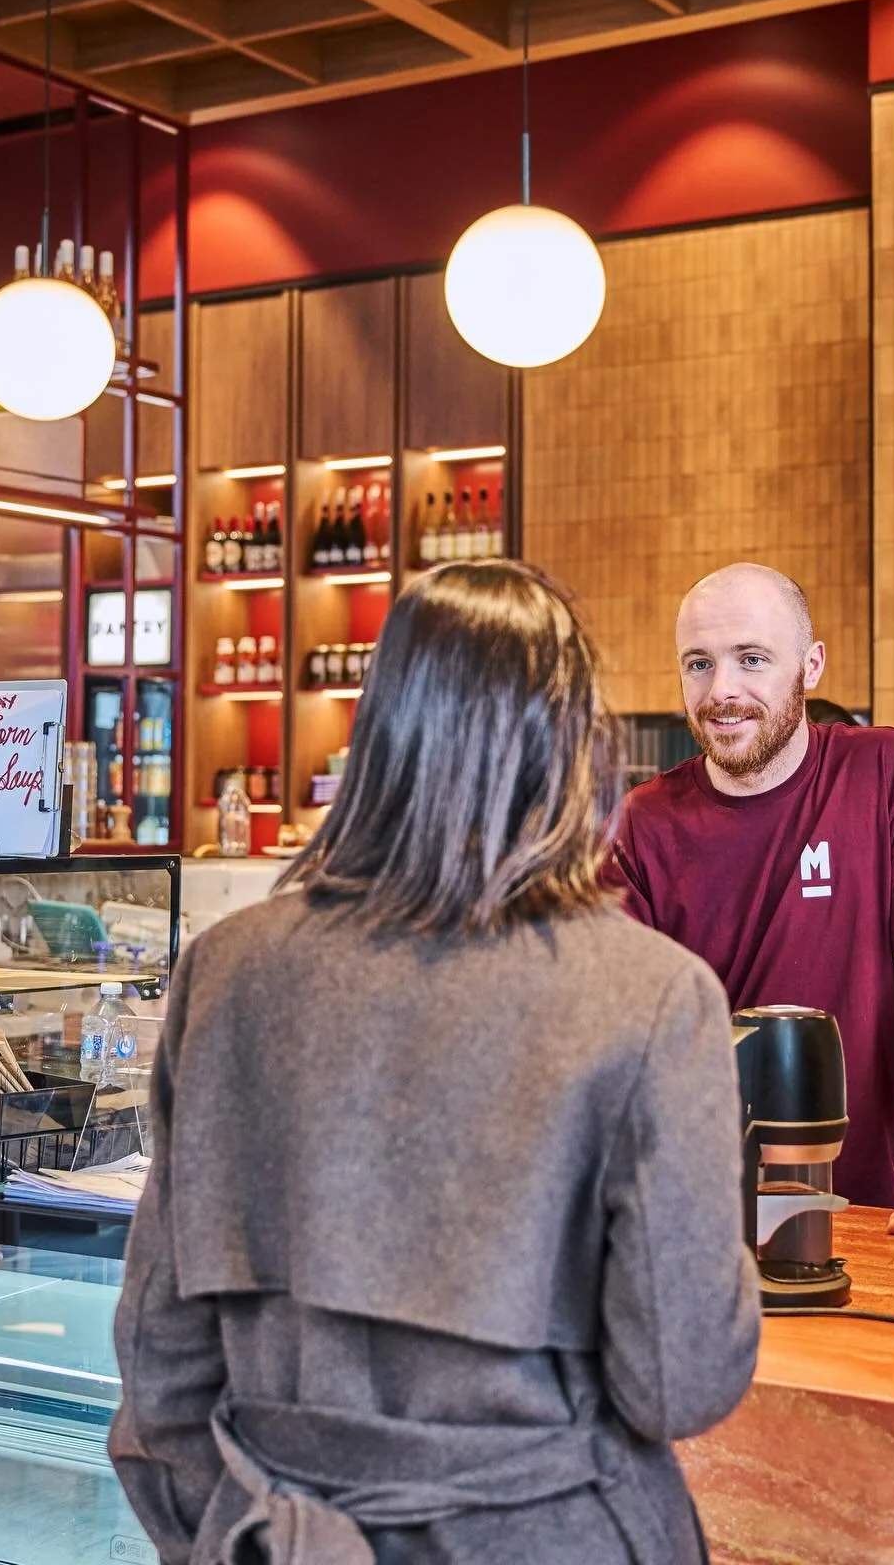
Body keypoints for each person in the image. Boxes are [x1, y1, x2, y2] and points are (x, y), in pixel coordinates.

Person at [111, 561, 759, 1565]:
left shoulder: (227, 975)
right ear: (579, 750)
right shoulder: (652, 996)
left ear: (378, 737)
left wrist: (234, 1534)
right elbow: (680, 1381)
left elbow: (161, 1370)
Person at [606, 563, 894, 1243]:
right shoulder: (642, 826)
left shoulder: (886, 774)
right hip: (693, 1221)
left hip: (861, 1215)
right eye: (698, 664)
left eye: (752, 659)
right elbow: (618, 1042)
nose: (722, 691)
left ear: (810, 666)